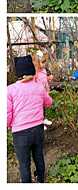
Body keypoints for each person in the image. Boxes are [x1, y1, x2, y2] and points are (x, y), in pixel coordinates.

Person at [7, 55, 53, 183]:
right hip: (38, 129)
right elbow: (49, 102)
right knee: (39, 156)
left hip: (20, 133)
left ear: (19, 74)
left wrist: (10, 125)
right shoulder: (38, 87)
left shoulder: (9, 90)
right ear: (32, 71)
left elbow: (7, 114)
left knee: (24, 164)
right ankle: (40, 180)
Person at [34, 50, 53, 129]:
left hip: (45, 91)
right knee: (39, 108)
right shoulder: (35, 73)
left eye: (44, 62)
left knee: (44, 107)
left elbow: (45, 80)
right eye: (42, 62)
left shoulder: (44, 71)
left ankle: (44, 119)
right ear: (37, 63)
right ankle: (39, 123)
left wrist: (48, 79)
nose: (44, 64)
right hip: (38, 94)